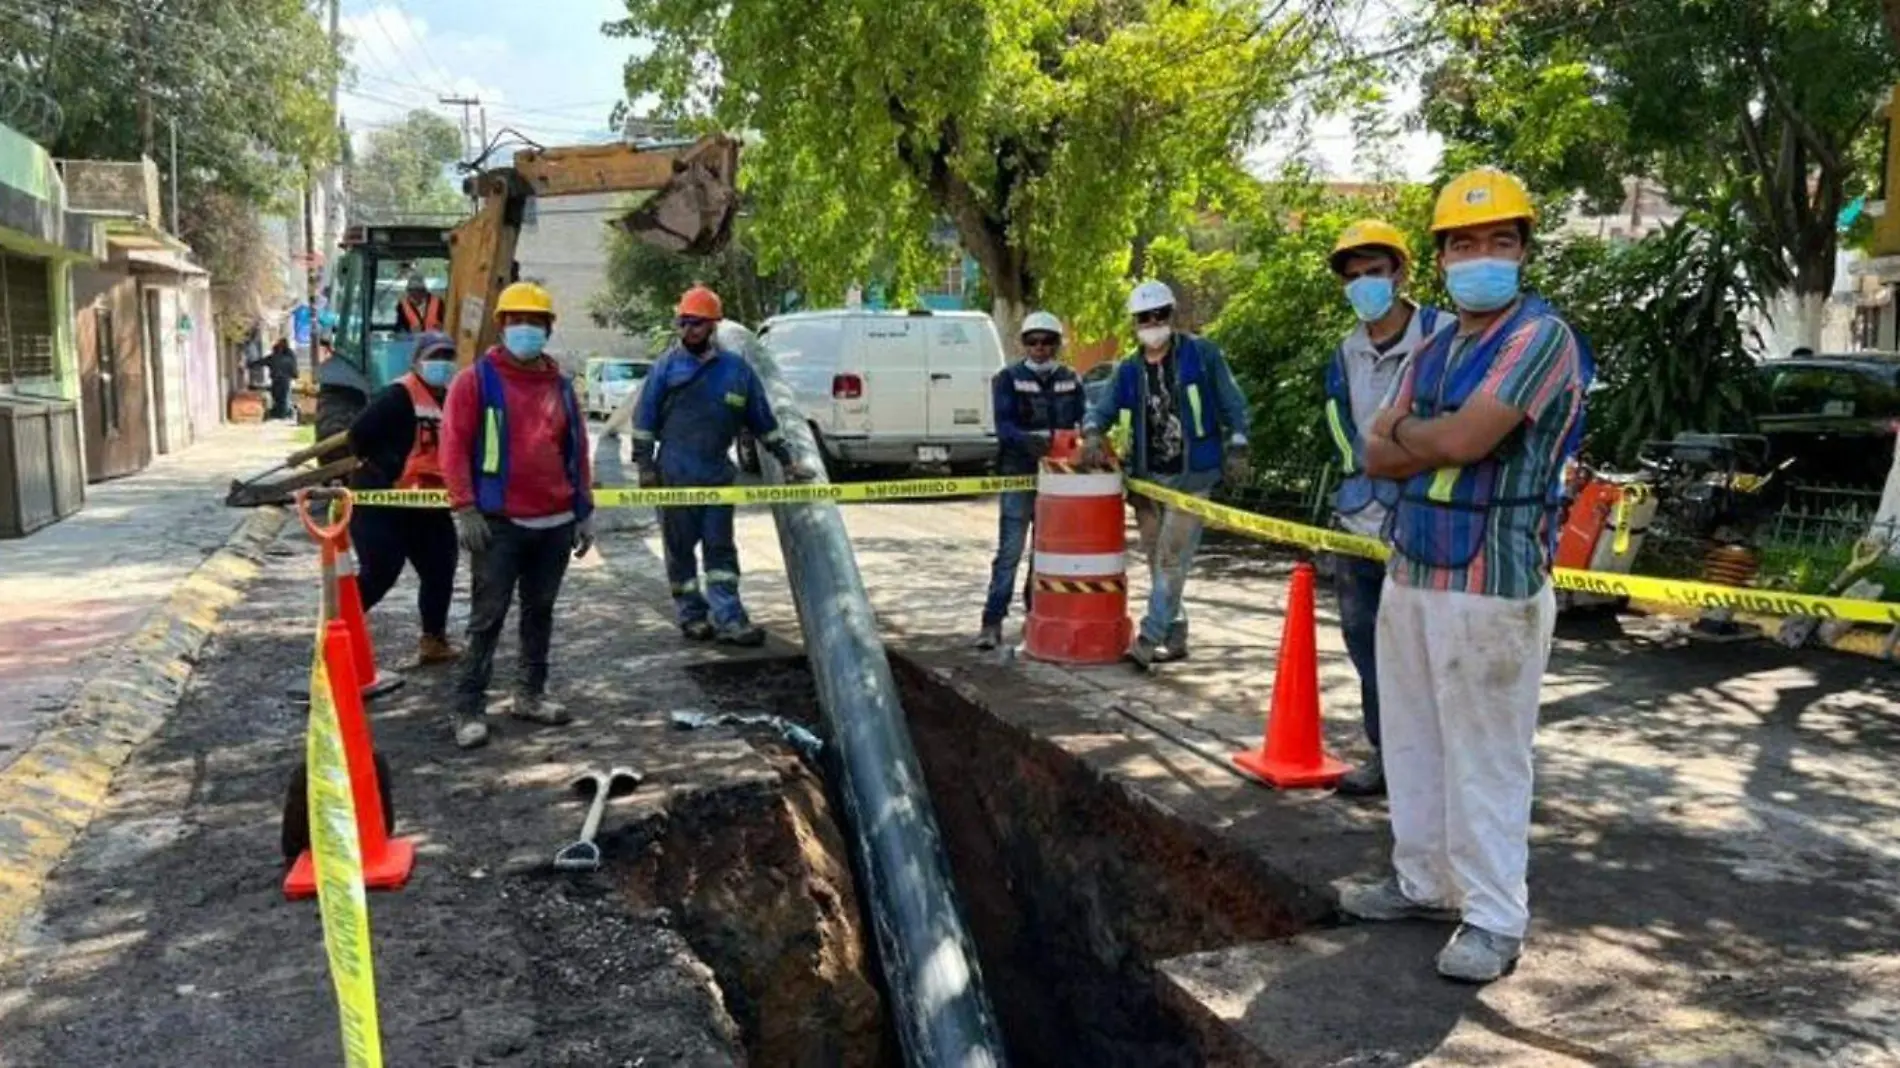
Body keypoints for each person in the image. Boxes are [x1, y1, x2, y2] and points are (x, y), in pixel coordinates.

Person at [1340, 168, 1592, 984]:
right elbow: (1373, 451)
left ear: (1523, 250)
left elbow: (1465, 443)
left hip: (1494, 582)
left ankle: (1493, 916)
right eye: (1463, 244)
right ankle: (1423, 882)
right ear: (1441, 257)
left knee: (1486, 753)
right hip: (1413, 568)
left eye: (1499, 241)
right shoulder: (1439, 344)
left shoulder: (1538, 340)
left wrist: (1418, 435)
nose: (1481, 256)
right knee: (1412, 739)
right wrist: (1423, 435)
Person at [1323, 219, 1450, 798]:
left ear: (1399, 272)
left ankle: (1444, 766)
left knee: (1435, 653)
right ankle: (1386, 755)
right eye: (1353, 278)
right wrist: (1364, 464)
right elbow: (1339, 422)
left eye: (1374, 273)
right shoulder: (1346, 351)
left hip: (1432, 521)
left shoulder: (1446, 337)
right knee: (1367, 645)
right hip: (1361, 520)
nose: (1364, 285)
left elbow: (1459, 430)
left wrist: (1402, 459)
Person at [439, 282, 596, 750]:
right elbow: (453, 445)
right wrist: (464, 506)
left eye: (534, 322)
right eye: (515, 321)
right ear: (502, 326)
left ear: (547, 329)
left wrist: (583, 512)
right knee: (487, 617)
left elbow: (577, 453)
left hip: (554, 524)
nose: (524, 329)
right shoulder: (475, 381)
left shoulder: (561, 387)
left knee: (539, 612)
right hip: (499, 525)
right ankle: (467, 707)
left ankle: (529, 694)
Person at [1080, 280, 1251, 669]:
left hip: (1192, 479)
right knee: (1158, 563)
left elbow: (1233, 404)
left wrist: (1238, 443)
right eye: (1145, 317)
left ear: (1172, 317)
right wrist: (1092, 432)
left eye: (1160, 315)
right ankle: (1176, 635)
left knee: (1172, 560)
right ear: (1135, 323)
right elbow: (1101, 408)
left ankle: (1149, 637)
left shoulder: (1202, 356)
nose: (1153, 323)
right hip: (1148, 482)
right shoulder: (1129, 371)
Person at [632, 285, 816, 645]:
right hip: (674, 477)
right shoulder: (666, 368)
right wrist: (645, 467)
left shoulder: (737, 372)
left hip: (716, 476)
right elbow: (644, 419)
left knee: (720, 550)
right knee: (680, 551)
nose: (688, 331)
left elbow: (764, 421)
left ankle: (730, 618)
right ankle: (692, 615)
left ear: (713, 326)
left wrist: (787, 461)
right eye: (683, 323)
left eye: (696, 324)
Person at [345, 330, 462, 666]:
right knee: (380, 571)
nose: (441, 364)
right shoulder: (398, 394)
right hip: (382, 501)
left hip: (426, 501)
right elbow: (358, 436)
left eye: (446, 357)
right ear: (417, 362)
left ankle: (433, 640)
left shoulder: (448, 398)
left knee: (441, 565)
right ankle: (337, 626)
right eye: (434, 357)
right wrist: (387, 468)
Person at [975, 311, 1086, 651]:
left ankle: (1035, 614)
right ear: (1024, 344)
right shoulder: (1008, 378)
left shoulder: (1071, 379)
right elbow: (1003, 425)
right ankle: (992, 621)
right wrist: (1028, 440)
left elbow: (1085, 418)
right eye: (1032, 341)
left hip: (1058, 478)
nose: (1039, 348)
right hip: (1018, 471)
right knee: (1010, 549)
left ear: (1057, 344)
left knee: (1045, 550)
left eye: (1047, 341)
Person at [264, 337, 298, 419]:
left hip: (278, 378)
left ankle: (283, 413)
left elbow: (263, 361)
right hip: (284, 378)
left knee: (281, 396)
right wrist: (294, 374)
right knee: (283, 396)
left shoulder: (281, 355)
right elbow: (293, 365)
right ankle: (284, 413)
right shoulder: (289, 354)